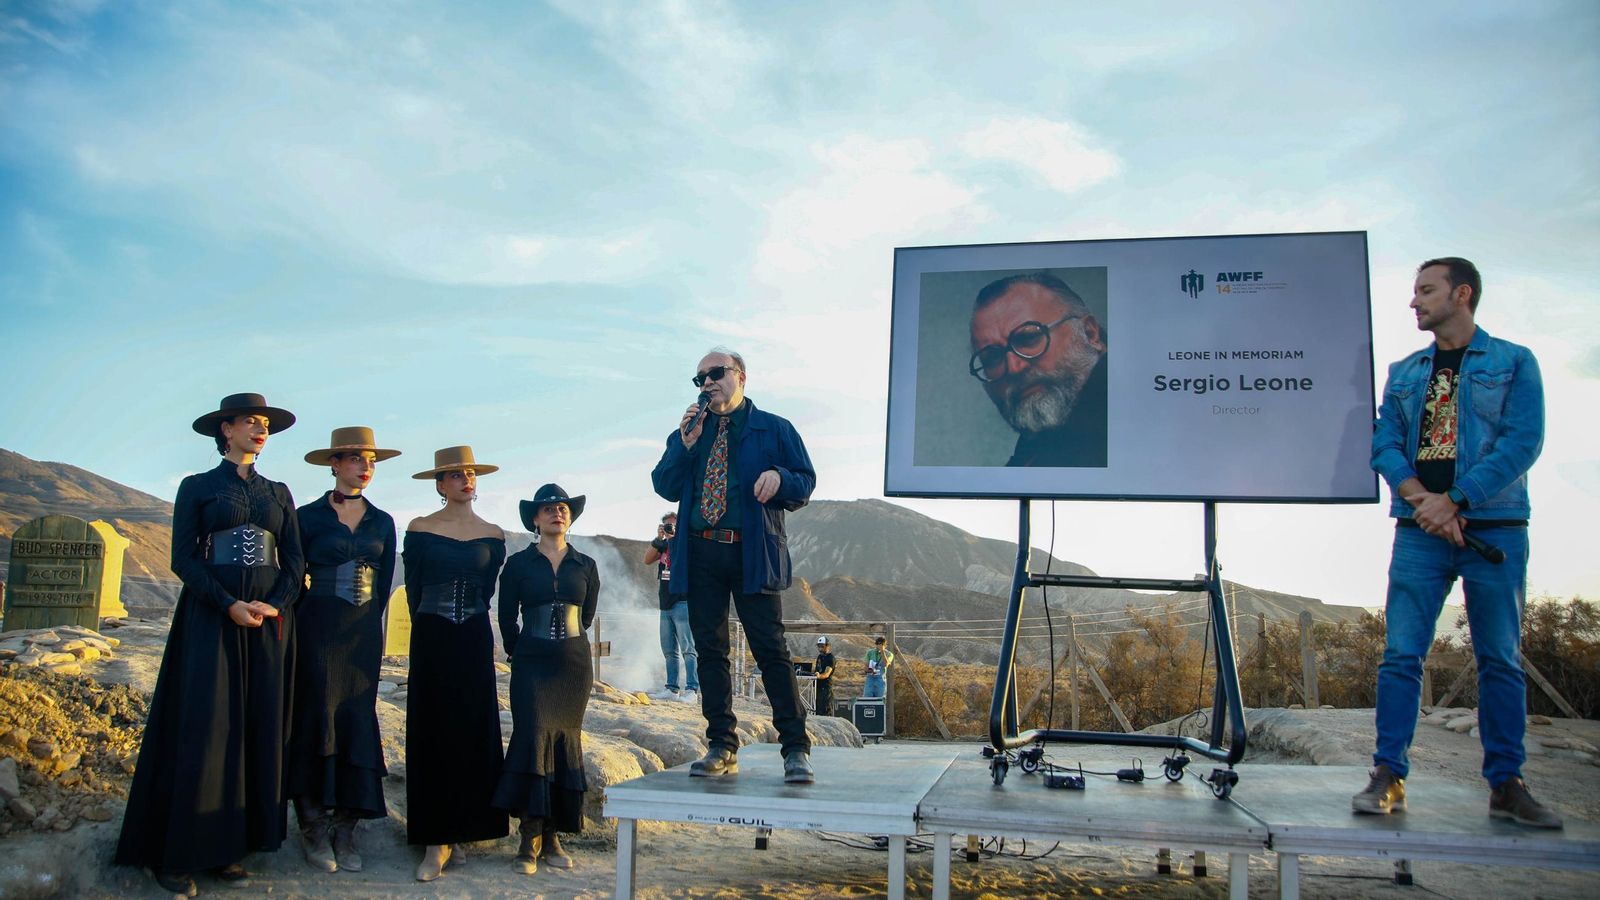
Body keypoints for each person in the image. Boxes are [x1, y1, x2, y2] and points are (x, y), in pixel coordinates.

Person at [1355, 257, 1561, 828]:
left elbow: (1522, 442)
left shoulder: (1514, 362)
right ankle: (1387, 777)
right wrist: (1426, 501)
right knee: (1401, 655)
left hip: (1494, 527)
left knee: (1499, 657)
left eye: (1426, 290)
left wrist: (1459, 499)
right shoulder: (1406, 371)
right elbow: (1384, 445)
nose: (1414, 302)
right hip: (1420, 531)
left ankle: (1507, 784)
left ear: (1462, 294)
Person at [115, 393, 305, 896]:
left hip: (266, 628)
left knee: (252, 727)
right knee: (206, 726)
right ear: (226, 429)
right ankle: (178, 851)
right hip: (211, 620)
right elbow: (184, 559)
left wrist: (274, 605)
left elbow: (295, 561)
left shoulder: (279, 492)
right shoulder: (197, 487)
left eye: (264, 423)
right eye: (250, 422)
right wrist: (227, 604)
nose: (260, 429)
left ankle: (228, 847)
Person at [651, 348, 818, 784]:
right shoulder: (689, 432)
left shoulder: (773, 429)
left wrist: (781, 479)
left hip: (752, 552)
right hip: (701, 552)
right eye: (700, 378)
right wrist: (684, 447)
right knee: (710, 651)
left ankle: (796, 748)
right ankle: (722, 744)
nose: (707, 382)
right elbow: (663, 485)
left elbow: (805, 482)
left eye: (715, 373)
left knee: (770, 648)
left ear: (740, 376)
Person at [287, 427, 400, 874]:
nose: (364, 465)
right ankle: (312, 825)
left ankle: (346, 828)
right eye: (355, 458)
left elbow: (387, 578)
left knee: (355, 717)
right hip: (316, 627)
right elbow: (293, 574)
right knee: (315, 714)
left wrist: (371, 625)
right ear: (334, 464)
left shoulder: (383, 521)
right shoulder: (308, 516)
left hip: (362, 635)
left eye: (370, 459)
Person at [403, 446, 510, 881]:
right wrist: (427, 631)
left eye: (470, 473)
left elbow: (485, 592)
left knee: (472, 727)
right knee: (433, 728)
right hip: (431, 635)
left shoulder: (494, 534)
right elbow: (413, 589)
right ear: (440, 484)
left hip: (472, 635)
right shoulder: (420, 528)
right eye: (455, 475)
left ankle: (464, 831)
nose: (467, 480)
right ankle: (434, 838)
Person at [492, 484, 599, 875]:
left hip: (572, 665)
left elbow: (586, 616)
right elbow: (506, 617)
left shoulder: (585, 564)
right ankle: (528, 835)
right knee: (532, 736)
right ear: (535, 519)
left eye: (563, 508)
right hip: (531, 661)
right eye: (549, 509)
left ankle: (552, 836)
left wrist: (565, 646)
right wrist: (520, 649)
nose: (558, 512)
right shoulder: (518, 564)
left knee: (563, 742)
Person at [968, 271, 1107, 467]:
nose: (1015, 367)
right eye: (993, 357)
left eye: (1029, 338)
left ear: (1090, 333)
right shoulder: (1035, 450)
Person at [644, 511, 698, 704]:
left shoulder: (687, 545)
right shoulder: (663, 545)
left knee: (688, 648)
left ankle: (692, 689)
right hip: (665, 603)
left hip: (683, 601)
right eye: (667, 525)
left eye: (673, 525)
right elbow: (647, 559)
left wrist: (675, 538)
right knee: (669, 649)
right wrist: (659, 539)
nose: (670, 528)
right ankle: (672, 688)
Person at [813, 636, 836, 716]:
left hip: (825, 688)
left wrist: (819, 676)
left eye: (822, 646)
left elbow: (827, 673)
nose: (820, 648)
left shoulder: (830, 658)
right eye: (819, 646)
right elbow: (817, 669)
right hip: (817, 687)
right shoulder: (819, 657)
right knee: (817, 710)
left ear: (827, 646)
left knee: (825, 711)